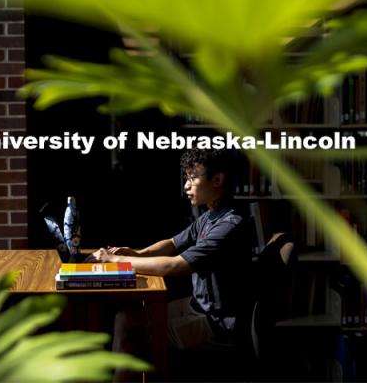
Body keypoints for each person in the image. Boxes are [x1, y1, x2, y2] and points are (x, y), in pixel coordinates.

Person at [90, 148, 251, 364]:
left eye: (193, 178)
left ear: (217, 180)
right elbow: (173, 243)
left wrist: (117, 261)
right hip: (198, 306)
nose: (186, 185)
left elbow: (174, 266)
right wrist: (139, 253)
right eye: (187, 178)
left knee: (131, 334)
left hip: (218, 323)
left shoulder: (229, 226)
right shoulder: (210, 216)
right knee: (124, 319)